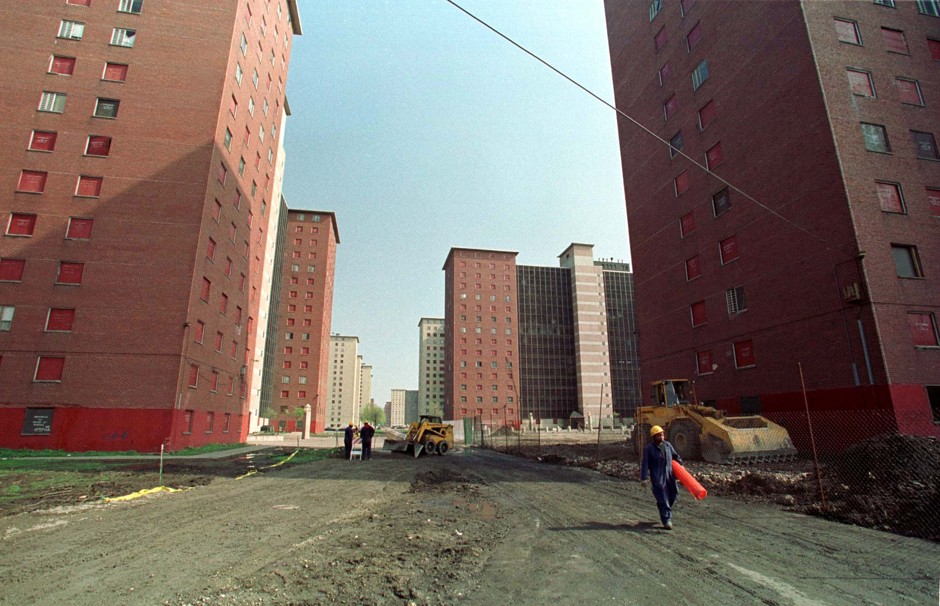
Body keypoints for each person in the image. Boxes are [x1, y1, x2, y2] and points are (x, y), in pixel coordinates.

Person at [640, 425, 683, 530]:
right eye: (658, 435)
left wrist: (681, 467)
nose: (661, 437)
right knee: (663, 497)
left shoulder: (668, 445)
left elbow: (676, 456)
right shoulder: (649, 449)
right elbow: (645, 463)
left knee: (674, 494)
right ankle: (666, 520)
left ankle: (664, 508)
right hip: (657, 476)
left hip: (670, 474)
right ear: (654, 437)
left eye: (662, 435)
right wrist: (644, 478)